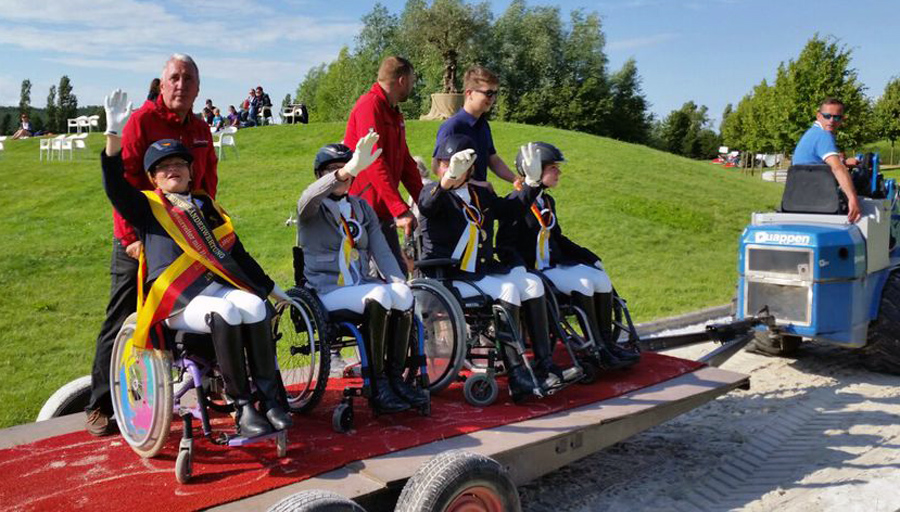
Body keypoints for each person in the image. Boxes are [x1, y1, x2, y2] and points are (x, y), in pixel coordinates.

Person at [100, 89, 292, 436]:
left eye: (178, 164)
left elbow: (237, 255)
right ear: (153, 178)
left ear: (191, 172)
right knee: (227, 311)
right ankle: (243, 408)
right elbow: (115, 186)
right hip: (174, 300)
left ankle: (269, 400)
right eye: (163, 167)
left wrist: (271, 288)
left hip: (213, 290)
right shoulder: (147, 206)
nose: (171, 170)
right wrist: (114, 137)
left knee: (254, 304)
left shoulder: (208, 208)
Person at [84, 53, 218, 437]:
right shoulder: (142, 122)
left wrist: (206, 227)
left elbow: (208, 181)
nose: (181, 85)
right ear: (162, 84)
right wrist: (131, 239)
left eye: (188, 79)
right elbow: (123, 182)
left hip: (186, 237)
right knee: (123, 313)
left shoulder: (201, 129)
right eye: (175, 78)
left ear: (198, 88)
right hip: (140, 236)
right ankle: (100, 403)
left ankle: (209, 382)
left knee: (202, 302)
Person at [418, 134, 571, 402]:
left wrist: (532, 183)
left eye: (456, 164)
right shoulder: (434, 192)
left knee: (533, 284)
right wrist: (447, 180)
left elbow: (510, 210)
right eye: (444, 163)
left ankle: (543, 363)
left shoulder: (479, 194)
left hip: (480, 272)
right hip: (449, 275)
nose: (449, 168)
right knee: (508, 289)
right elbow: (427, 206)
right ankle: (517, 376)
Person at [297, 133, 429, 412]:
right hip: (327, 290)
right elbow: (308, 197)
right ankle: (377, 386)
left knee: (401, 293)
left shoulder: (361, 207)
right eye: (332, 170)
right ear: (320, 175)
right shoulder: (311, 209)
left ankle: (395, 379)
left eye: (346, 169)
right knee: (379, 295)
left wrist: (400, 284)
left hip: (361, 285)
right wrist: (345, 170)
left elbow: (382, 252)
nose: (342, 175)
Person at [496, 142, 639, 370]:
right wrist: (520, 269)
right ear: (536, 170)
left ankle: (606, 344)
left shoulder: (547, 201)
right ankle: (594, 350)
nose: (558, 172)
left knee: (600, 279)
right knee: (584, 283)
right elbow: (504, 245)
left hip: (554, 265)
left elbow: (558, 238)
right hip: (534, 271)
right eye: (553, 167)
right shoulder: (516, 202)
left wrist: (589, 256)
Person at [345, 56, 423, 275]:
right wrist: (400, 209)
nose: (412, 86)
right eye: (412, 81)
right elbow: (373, 163)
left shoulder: (393, 111)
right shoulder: (369, 106)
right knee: (379, 277)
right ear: (402, 80)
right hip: (364, 209)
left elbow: (406, 162)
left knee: (396, 273)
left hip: (381, 209)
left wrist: (426, 202)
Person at [432, 66, 517, 191]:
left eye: (495, 93)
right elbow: (437, 167)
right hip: (459, 198)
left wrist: (515, 179)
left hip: (479, 196)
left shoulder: (483, 124)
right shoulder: (452, 126)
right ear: (469, 93)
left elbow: (492, 159)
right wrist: (474, 183)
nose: (493, 98)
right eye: (488, 93)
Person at [792, 98, 861, 223]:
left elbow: (818, 162)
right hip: (818, 197)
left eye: (837, 117)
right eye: (827, 116)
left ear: (842, 119)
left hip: (800, 194)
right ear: (819, 116)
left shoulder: (812, 133)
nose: (831, 121)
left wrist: (844, 162)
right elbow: (837, 168)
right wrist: (853, 199)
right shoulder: (823, 135)